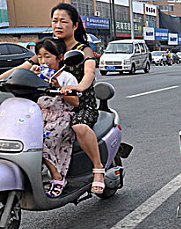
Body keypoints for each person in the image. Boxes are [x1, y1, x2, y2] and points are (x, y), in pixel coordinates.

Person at [0, 4, 106, 194]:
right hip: (49, 104)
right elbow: (21, 68)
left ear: (75, 25)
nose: (57, 25)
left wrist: (78, 87)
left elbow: (89, 73)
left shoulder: (84, 50)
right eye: (54, 21)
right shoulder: (48, 47)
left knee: (79, 125)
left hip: (80, 103)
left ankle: (98, 169)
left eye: (63, 21)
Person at [32, 37, 79, 198]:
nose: (43, 61)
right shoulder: (36, 76)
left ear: (59, 58)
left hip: (61, 118)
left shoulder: (67, 77)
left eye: (47, 56)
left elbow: (75, 102)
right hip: (40, 117)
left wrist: (59, 87)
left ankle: (57, 176)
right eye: (39, 57)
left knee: (40, 143)